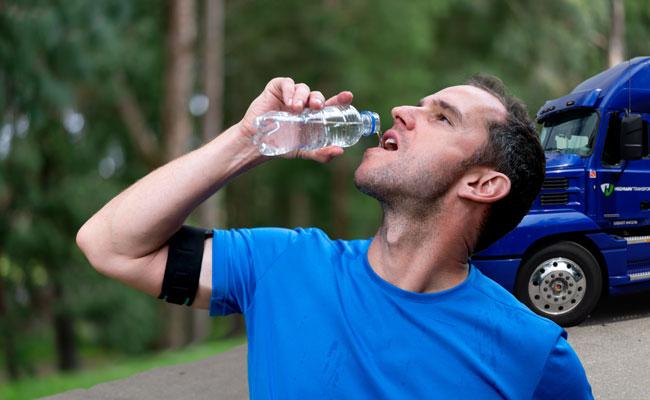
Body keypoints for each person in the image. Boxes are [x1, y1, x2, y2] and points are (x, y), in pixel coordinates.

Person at [77, 76, 594, 399]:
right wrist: (249, 140)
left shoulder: (535, 354)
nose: (401, 112)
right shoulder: (283, 263)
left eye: (441, 117)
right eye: (421, 104)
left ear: (482, 184)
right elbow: (109, 245)